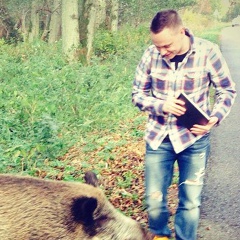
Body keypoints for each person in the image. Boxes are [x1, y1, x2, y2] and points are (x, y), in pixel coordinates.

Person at [132, 9, 236, 240]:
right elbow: (137, 94)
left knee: (190, 202)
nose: (162, 52)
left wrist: (214, 118)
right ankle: (160, 236)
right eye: (158, 46)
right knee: (154, 199)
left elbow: (227, 90)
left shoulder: (209, 52)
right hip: (159, 138)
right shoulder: (150, 55)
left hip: (194, 140)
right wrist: (161, 105)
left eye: (167, 46)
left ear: (182, 32)